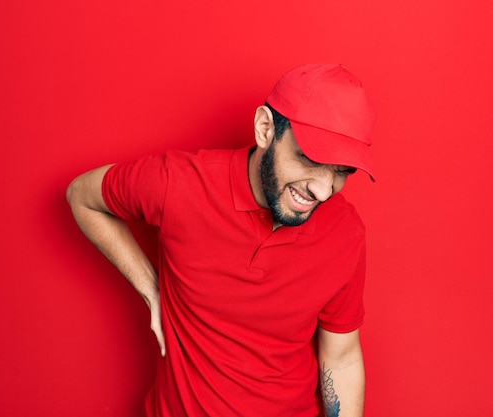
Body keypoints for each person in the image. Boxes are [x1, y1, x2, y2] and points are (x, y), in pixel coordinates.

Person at [67, 63, 376, 417]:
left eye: (341, 172)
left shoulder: (345, 233)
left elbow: (341, 357)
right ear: (265, 129)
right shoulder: (179, 185)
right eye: (309, 158)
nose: (323, 190)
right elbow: (81, 195)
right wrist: (152, 289)